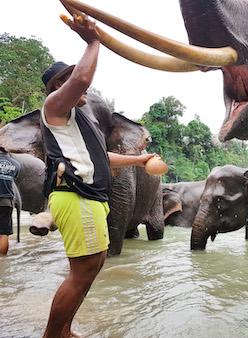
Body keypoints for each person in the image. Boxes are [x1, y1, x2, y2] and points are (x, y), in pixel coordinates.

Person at [40, 14, 154, 338]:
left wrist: (139, 159)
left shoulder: (78, 119)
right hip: (77, 197)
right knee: (82, 271)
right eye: (68, 77)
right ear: (58, 87)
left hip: (90, 199)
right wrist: (93, 41)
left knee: (94, 264)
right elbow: (81, 79)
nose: (76, 80)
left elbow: (101, 157)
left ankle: (64, 330)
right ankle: (52, 335)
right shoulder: (54, 107)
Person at [0, 148, 21, 255]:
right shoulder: (16, 164)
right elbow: (13, 180)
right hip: (6, 202)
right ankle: (2, 260)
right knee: (3, 233)